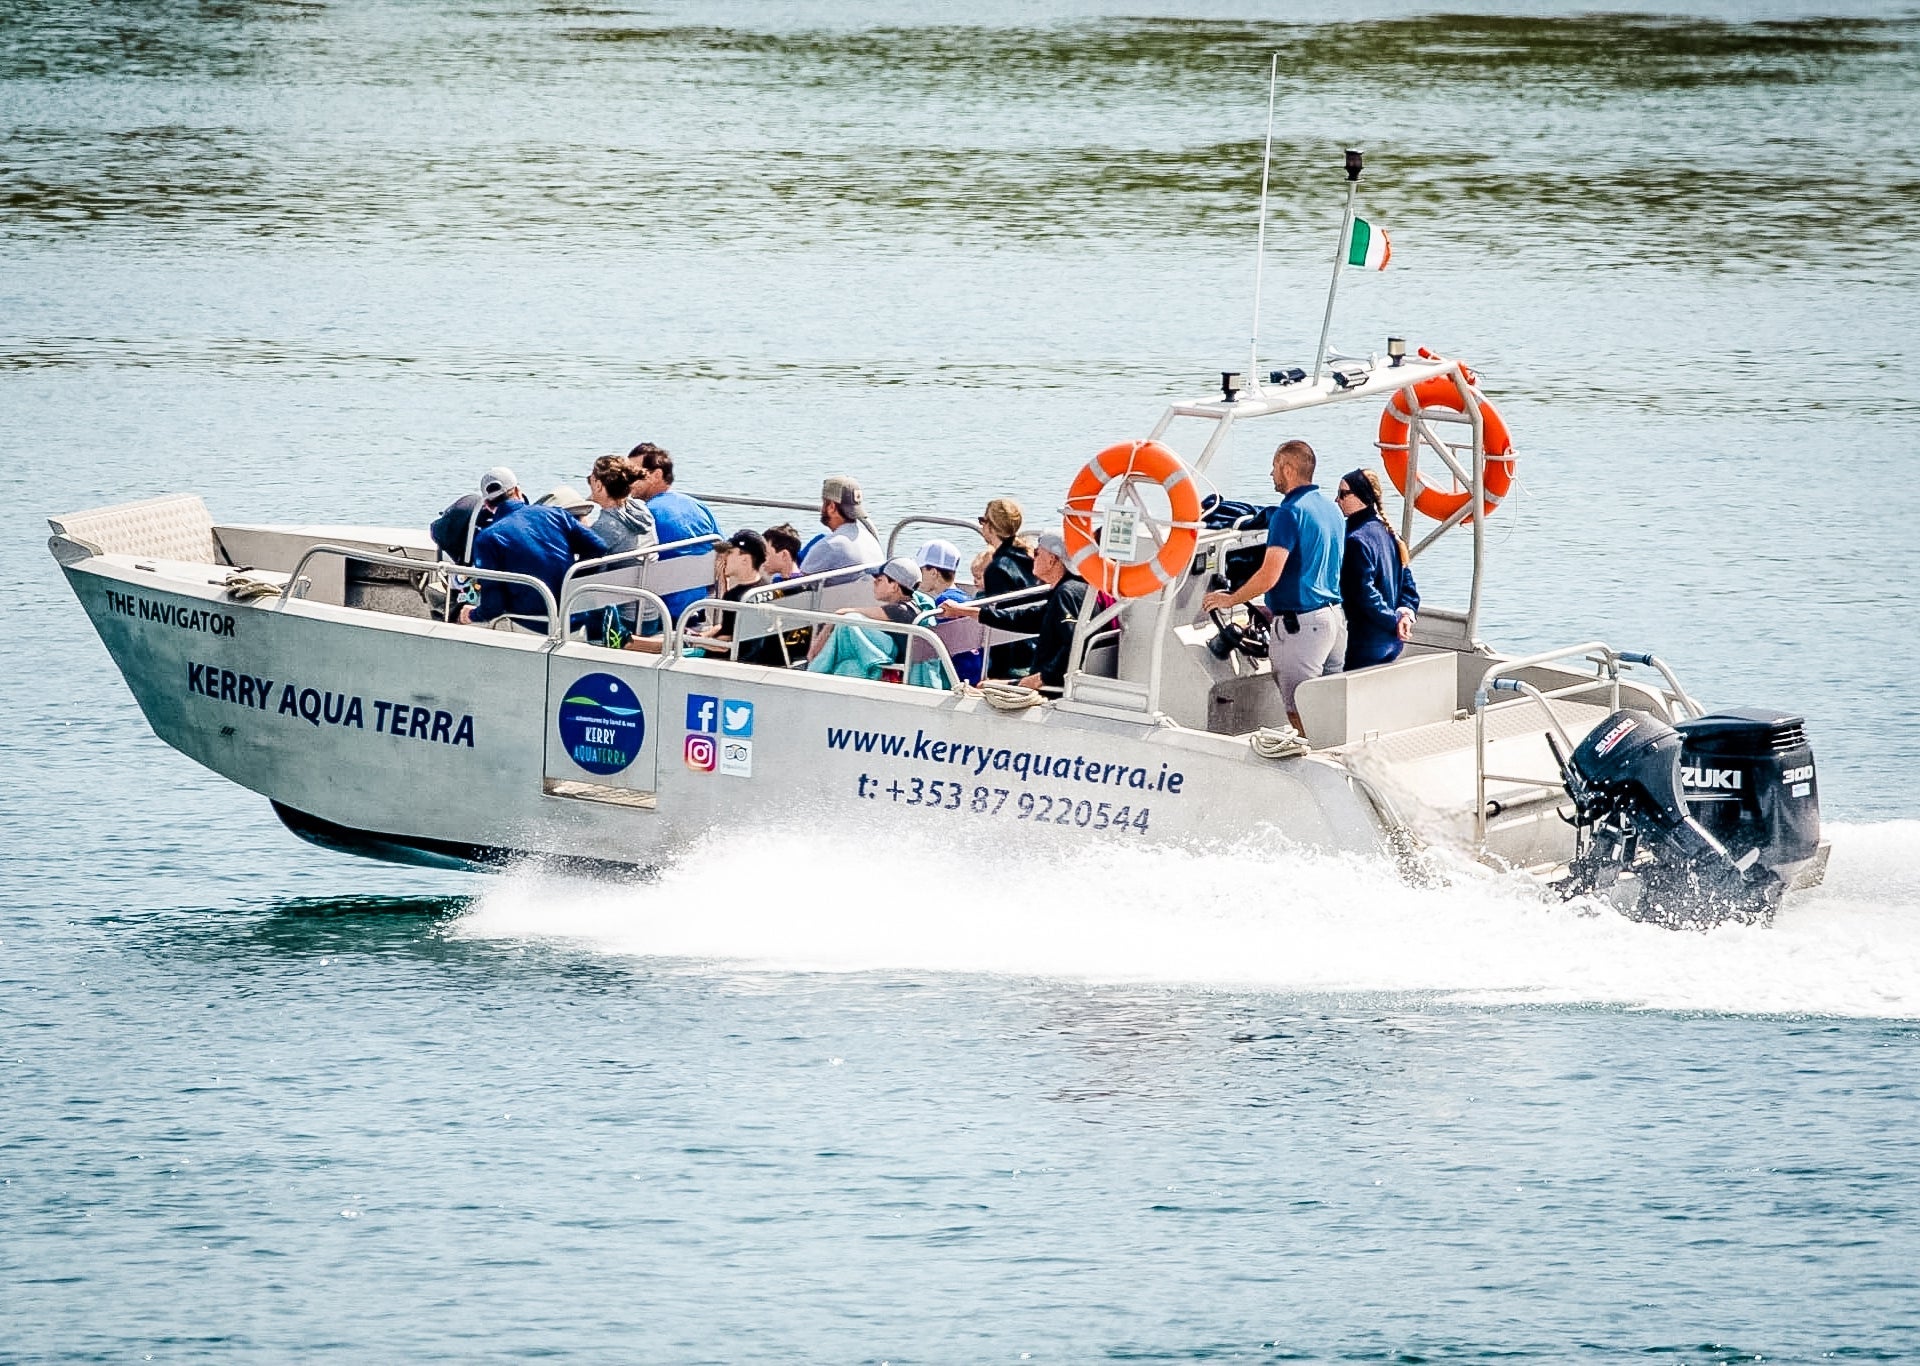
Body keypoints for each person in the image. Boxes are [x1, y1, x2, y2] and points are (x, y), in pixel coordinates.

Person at [1201, 439, 1346, 732]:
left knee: (1299, 712)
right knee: (1328, 710)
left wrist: (1229, 600)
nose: (1271, 475)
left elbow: (1270, 574)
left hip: (1302, 626)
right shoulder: (1331, 509)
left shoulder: (1288, 513)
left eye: (1274, 468)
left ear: (1289, 469)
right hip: (1334, 620)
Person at [458, 473, 609, 632]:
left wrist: (471, 614)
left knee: (466, 622)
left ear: (487, 505)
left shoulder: (487, 539)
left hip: (534, 625)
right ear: (518, 492)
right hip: (575, 618)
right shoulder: (556, 514)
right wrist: (571, 579)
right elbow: (598, 547)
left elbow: (493, 607)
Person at [941, 529, 1086, 693]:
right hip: (1054, 682)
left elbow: (1075, 642)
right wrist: (969, 612)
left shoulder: (1065, 594)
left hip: (1051, 688)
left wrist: (1041, 678)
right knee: (986, 684)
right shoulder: (1076, 588)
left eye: (1037, 553)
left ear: (1052, 560)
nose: (1032, 557)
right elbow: (1026, 618)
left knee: (982, 687)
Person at [627, 442, 721, 627]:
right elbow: (721, 551)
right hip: (698, 607)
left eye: (634, 474)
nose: (628, 481)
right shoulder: (698, 506)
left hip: (658, 612)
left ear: (657, 475)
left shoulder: (644, 516)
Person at [1336, 468, 1421, 671]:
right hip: (1391, 644)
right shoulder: (1388, 533)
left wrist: (1393, 621)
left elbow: (1364, 594)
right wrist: (1405, 616)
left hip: (1365, 643)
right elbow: (1408, 584)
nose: (1336, 500)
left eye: (1342, 494)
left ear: (1361, 497)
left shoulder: (1355, 540)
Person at [807, 557, 927, 679]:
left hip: (894, 672)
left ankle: (815, 671)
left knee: (849, 622)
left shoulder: (898, 612)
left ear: (894, 586)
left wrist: (824, 633)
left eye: (879, 579)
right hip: (900, 667)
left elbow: (844, 613)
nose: (874, 582)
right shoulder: (914, 607)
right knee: (847, 660)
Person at [685, 529, 790, 667]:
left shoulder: (736, 597)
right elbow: (728, 627)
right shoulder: (767, 588)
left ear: (745, 560)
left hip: (733, 661)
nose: (723, 557)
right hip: (758, 658)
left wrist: (693, 640)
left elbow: (724, 645)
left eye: (729, 553)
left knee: (670, 647)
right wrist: (703, 636)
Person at [974, 497, 1038, 678]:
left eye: (982, 521)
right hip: (1034, 649)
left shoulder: (998, 569)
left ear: (991, 527)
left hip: (1015, 659)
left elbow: (1000, 623)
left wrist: (995, 675)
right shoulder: (1030, 558)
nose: (981, 526)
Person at [798, 476, 883, 578]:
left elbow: (798, 586)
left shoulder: (828, 546)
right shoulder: (871, 540)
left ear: (831, 507)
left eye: (824, 503)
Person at [916, 540, 970, 607]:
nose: (917, 577)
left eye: (920, 571)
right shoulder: (964, 597)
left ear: (933, 573)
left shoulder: (944, 601)